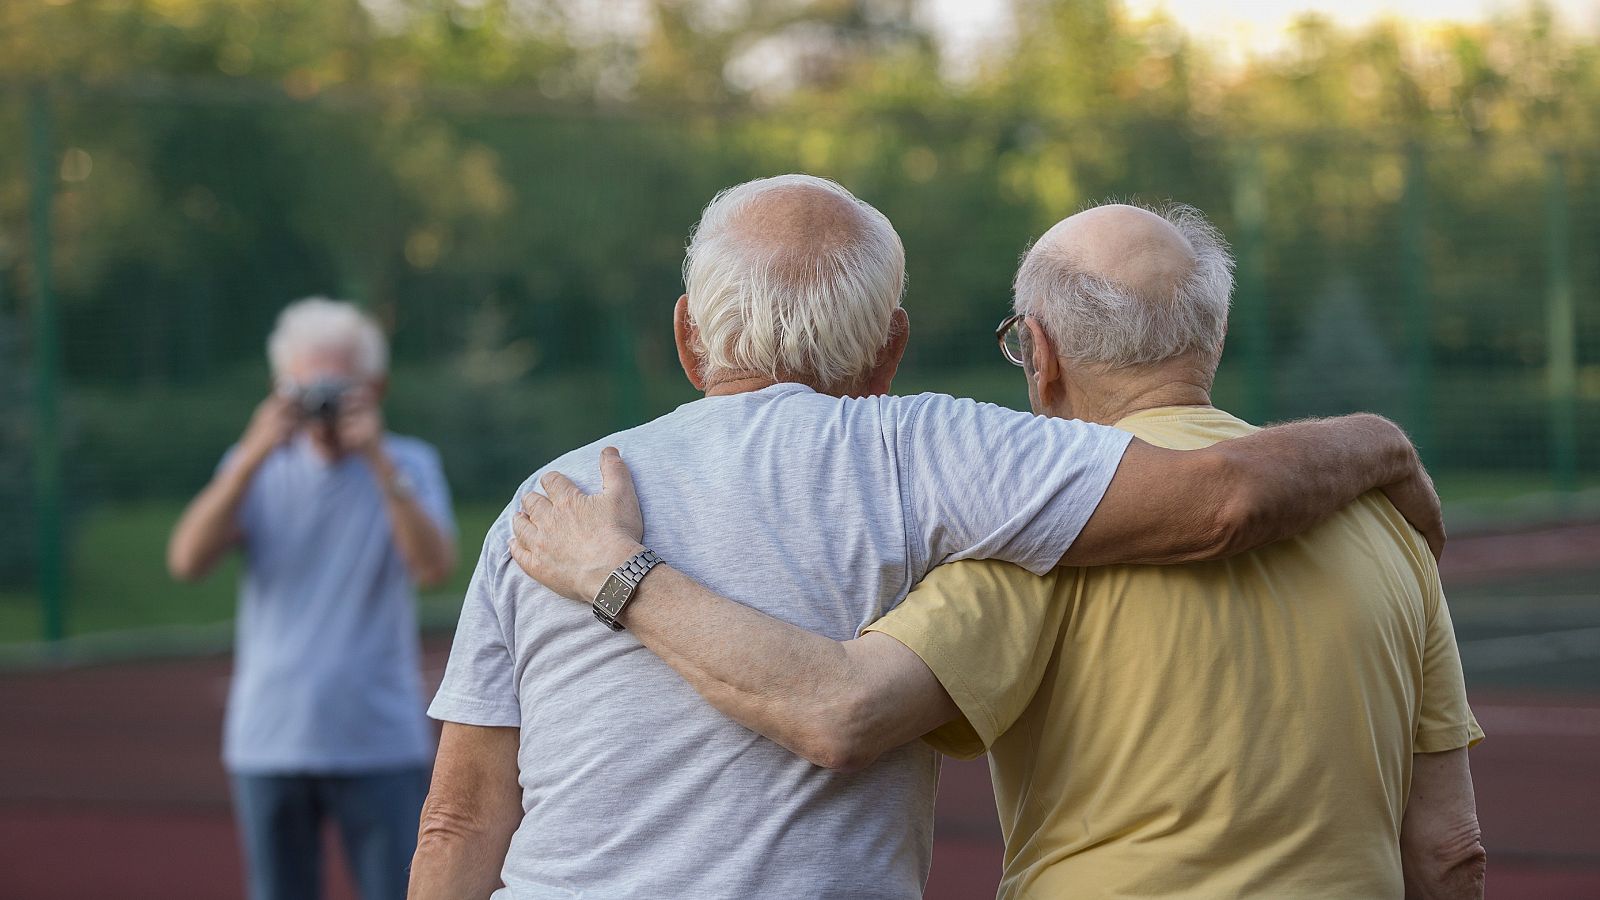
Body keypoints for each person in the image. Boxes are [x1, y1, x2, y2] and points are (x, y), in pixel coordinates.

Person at [411, 175, 1444, 900]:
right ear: (890, 346)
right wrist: (1382, 445)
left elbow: (458, 822)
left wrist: (614, 571)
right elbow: (1221, 499)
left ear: (688, 335)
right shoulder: (933, 451)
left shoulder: (543, 507)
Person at [166, 297, 457, 900]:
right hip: (272, 738)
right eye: (305, 387)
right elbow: (187, 560)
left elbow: (433, 568)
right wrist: (250, 455)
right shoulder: (254, 468)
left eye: (337, 386)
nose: (320, 403)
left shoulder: (408, 465)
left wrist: (378, 460)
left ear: (374, 386)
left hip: (377, 736)